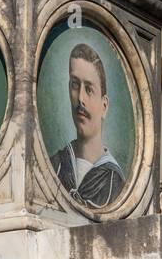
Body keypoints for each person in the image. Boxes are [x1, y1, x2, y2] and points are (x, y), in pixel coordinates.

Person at [51, 42, 125, 207]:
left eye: (89, 89)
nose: (80, 99)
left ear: (104, 106)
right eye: (75, 85)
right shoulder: (55, 165)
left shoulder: (115, 182)